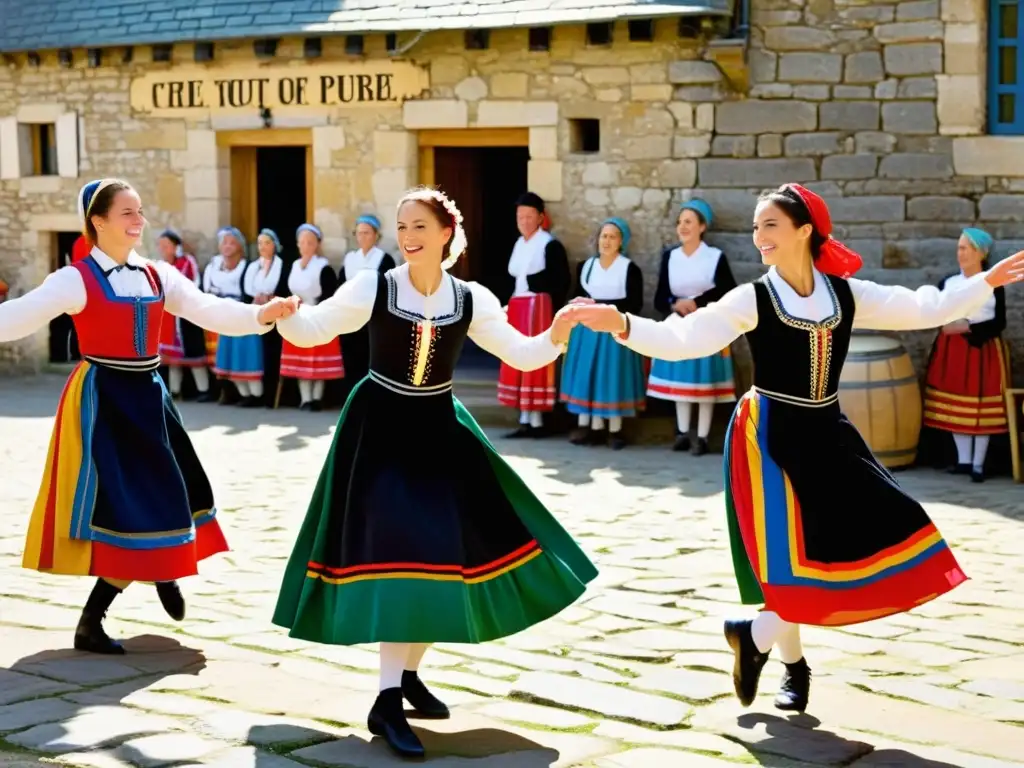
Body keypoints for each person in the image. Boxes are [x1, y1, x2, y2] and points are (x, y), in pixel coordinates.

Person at [570, 183, 1024, 714]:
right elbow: (687, 339)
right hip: (768, 437)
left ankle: (755, 635)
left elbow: (922, 306)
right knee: (786, 561)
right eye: (756, 226)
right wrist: (622, 324)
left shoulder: (845, 294)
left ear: (804, 230)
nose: (759, 236)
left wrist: (982, 284)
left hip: (828, 432)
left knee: (887, 524)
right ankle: (794, 665)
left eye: (770, 226)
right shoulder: (752, 298)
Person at [271, 186, 597, 759]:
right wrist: (283, 318)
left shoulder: (470, 298)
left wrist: (559, 331)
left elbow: (522, 354)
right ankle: (387, 701)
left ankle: (406, 677)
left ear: (447, 232)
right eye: (402, 227)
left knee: (444, 560)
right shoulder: (376, 285)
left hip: (441, 434)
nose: (407, 237)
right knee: (406, 557)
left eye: (419, 226)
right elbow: (317, 328)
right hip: (379, 435)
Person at [0, 179, 297, 655]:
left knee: (178, 489)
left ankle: (161, 567)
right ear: (98, 222)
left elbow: (208, 309)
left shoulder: (157, 275)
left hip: (150, 396)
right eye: (127, 213)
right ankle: (94, 620)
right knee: (127, 507)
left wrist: (263, 315)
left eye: (140, 211)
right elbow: (16, 317)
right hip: (105, 403)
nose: (139, 221)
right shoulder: (76, 278)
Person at [649, 199, 738, 455]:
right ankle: (682, 432)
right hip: (679, 324)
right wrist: (674, 304)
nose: (683, 227)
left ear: (702, 227)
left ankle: (702, 436)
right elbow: (660, 297)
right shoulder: (671, 257)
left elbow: (728, 291)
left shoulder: (714, 257)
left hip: (707, 322)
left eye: (688, 222)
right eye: (680, 222)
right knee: (682, 379)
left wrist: (696, 302)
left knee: (705, 382)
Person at [922, 228, 1010, 482]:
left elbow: (999, 322)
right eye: (959, 248)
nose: (960, 253)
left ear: (980, 253)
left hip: (982, 350)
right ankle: (963, 460)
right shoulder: (949, 283)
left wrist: (967, 327)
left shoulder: (994, 284)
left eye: (965, 248)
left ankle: (978, 465)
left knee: (981, 405)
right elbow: (935, 311)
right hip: (952, 351)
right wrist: (942, 324)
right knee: (955, 401)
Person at [559, 218, 645, 450]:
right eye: (603, 236)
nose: (606, 241)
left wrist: (597, 303)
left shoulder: (629, 268)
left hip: (614, 333)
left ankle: (615, 430)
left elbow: (634, 304)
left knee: (611, 379)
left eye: (612, 237)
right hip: (587, 334)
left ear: (621, 242)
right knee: (590, 378)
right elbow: (577, 293)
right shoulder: (586, 267)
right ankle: (591, 428)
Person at [498, 192, 571, 438]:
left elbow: (559, 282)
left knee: (535, 361)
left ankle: (538, 421)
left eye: (530, 216)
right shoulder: (519, 244)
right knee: (518, 359)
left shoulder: (549, 245)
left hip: (537, 311)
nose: (525, 221)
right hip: (518, 310)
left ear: (540, 217)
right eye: (521, 216)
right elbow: (514, 280)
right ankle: (524, 418)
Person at [280, 223, 344, 411]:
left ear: (317, 244)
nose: (306, 246)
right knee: (300, 358)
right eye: (302, 242)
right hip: (297, 315)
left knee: (317, 359)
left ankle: (316, 398)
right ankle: (304, 398)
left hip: (317, 314)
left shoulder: (323, 267)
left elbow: (329, 293)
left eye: (310, 242)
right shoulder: (294, 265)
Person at [204, 227, 265, 407]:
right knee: (225, 356)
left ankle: (254, 394)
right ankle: (231, 391)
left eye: (232, 242)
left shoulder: (248, 267)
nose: (228, 246)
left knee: (244, 354)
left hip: (242, 314)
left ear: (240, 246)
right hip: (221, 314)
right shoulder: (214, 266)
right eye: (224, 243)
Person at [337, 214, 397, 395]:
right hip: (350, 317)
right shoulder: (350, 259)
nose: (362, 237)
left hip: (373, 318)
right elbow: (341, 287)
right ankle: (351, 400)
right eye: (359, 233)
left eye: (367, 233)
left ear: (376, 235)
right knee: (350, 359)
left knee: (370, 360)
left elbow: (388, 290)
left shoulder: (384, 259)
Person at [156, 229, 213, 402]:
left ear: (175, 246)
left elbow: (194, 282)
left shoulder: (187, 262)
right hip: (167, 318)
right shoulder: (159, 266)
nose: (163, 249)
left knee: (194, 354)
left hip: (186, 314)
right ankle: (175, 392)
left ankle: (204, 390)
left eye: (167, 245)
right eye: (161, 246)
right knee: (173, 359)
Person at [246, 228, 291, 408]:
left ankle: (271, 396)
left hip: (275, 314)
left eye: (267, 243)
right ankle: (255, 394)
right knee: (256, 354)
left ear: (275, 245)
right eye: (260, 243)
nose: (263, 247)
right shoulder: (253, 266)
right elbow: (247, 287)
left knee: (272, 354)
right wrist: (257, 296)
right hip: (256, 313)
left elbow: (284, 287)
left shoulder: (282, 265)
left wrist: (271, 297)